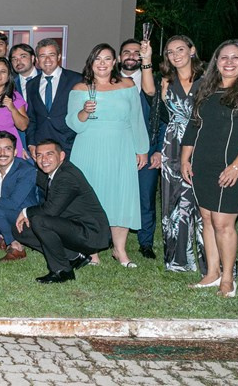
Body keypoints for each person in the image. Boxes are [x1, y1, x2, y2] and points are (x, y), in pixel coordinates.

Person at [181, 39, 238, 298]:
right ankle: (212, 273)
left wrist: (236, 166)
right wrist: (185, 159)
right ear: (216, 61)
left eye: (235, 57)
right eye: (224, 57)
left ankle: (228, 279)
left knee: (223, 223)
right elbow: (194, 126)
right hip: (203, 165)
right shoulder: (206, 89)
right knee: (207, 219)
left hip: (236, 167)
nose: (229, 62)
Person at [66, 43, 148, 268]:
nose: (102, 63)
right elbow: (73, 124)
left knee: (121, 197)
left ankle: (119, 250)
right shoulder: (80, 88)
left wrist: (141, 148)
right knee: (92, 199)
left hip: (121, 147)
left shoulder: (127, 85)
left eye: (107, 59)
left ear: (114, 62)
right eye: (97, 59)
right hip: (89, 148)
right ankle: (92, 250)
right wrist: (84, 111)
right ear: (91, 63)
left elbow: (136, 118)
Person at [14, 139, 110, 284]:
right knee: (19, 230)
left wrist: (26, 211)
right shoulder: (50, 172)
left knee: (40, 221)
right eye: (39, 155)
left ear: (62, 156)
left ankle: (62, 271)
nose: (44, 159)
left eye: (49, 154)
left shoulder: (67, 176)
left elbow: (51, 210)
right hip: (71, 225)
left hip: (90, 232)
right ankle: (74, 256)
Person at [158, 35, 206, 272]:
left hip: (203, 141)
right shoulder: (167, 81)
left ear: (192, 50)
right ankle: (179, 260)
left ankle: (211, 261)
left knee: (204, 202)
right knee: (174, 201)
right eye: (170, 52)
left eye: (180, 49)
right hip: (173, 145)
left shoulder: (208, 80)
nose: (175, 55)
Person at [119, 38, 164, 260]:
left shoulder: (155, 83)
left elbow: (164, 119)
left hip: (148, 149)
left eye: (136, 52)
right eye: (126, 52)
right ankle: (109, 239)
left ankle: (145, 243)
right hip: (116, 150)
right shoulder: (108, 81)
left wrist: (159, 150)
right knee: (113, 196)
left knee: (145, 197)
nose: (131, 56)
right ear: (119, 57)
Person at [0, 131, 40, 261]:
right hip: (3, 212)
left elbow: (13, 203)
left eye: (7, 148)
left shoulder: (27, 170)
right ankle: (2, 238)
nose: (2, 153)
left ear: (15, 152)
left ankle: (16, 246)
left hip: (24, 217)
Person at [25, 38, 82, 157]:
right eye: (42, 56)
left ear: (59, 57)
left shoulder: (76, 79)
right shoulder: (31, 85)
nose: (47, 60)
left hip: (70, 145)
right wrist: (31, 143)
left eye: (51, 55)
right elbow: (32, 117)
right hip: (41, 146)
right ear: (37, 59)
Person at [0, 58, 28, 162]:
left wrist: (12, 108)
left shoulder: (14, 96)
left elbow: (23, 126)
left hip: (7, 145)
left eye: (3, 71)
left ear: (8, 76)